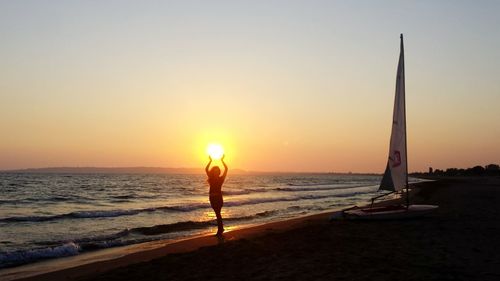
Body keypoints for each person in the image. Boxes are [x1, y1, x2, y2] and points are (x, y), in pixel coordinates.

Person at [205, 155, 228, 236]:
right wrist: (210, 161)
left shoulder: (221, 179)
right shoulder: (210, 178)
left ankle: (220, 230)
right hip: (212, 198)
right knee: (217, 213)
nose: (215, 172)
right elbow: (206, 169)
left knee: (218, 213)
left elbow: (226, 169)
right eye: (214, 170)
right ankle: (221, 229)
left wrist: (222, 160)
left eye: (217, 170)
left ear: (219, 172)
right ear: (213, 171)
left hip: (218, 198)